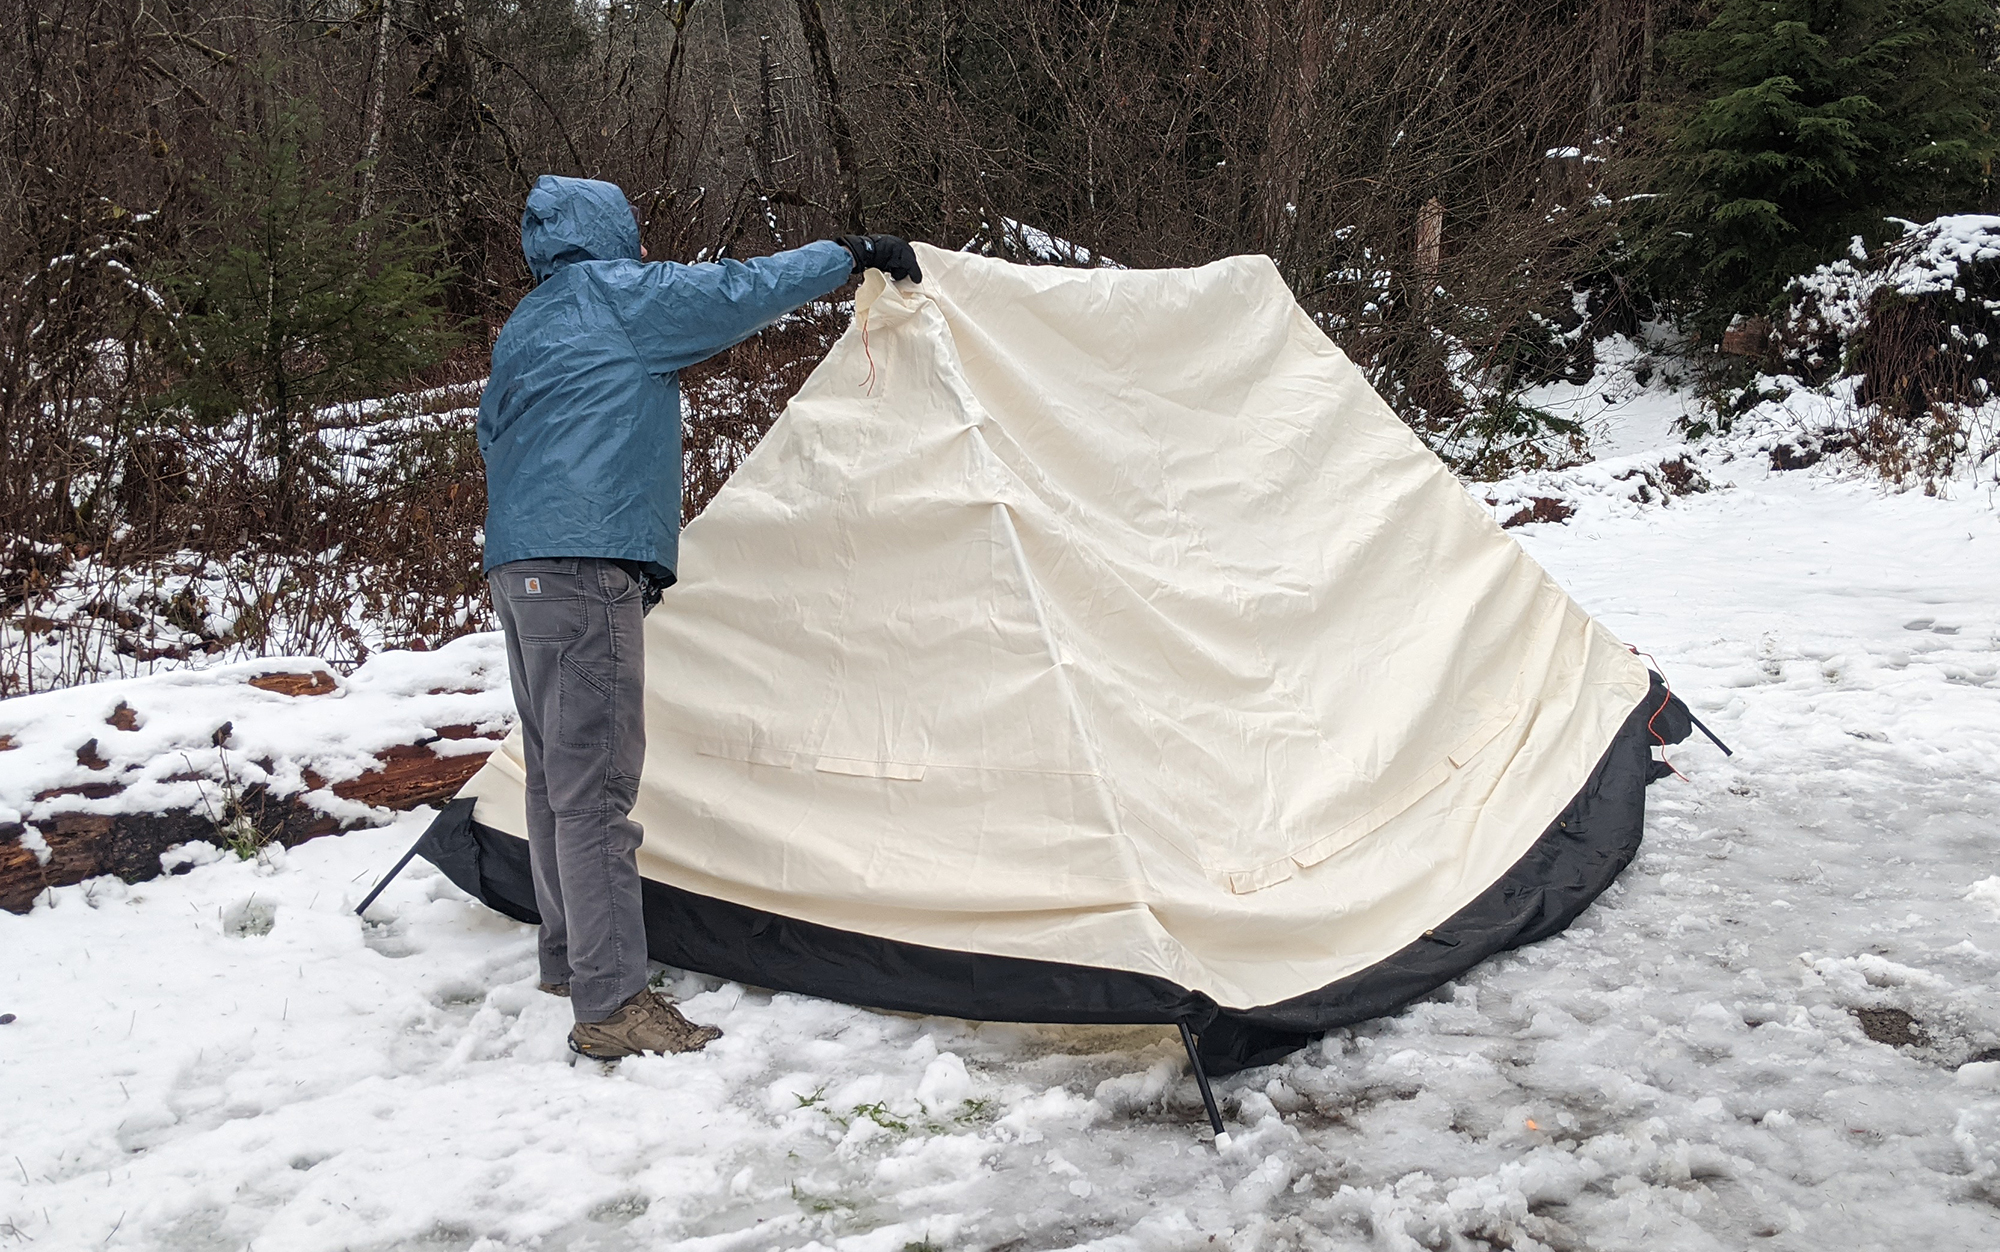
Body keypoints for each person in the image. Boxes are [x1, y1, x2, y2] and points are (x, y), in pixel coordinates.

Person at [478, 174, 922, 1061]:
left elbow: (496, 433)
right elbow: (738, 290)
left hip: (520, 566)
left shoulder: (529, 325)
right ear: (612, 232)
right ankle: (612, 1008)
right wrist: (849, 254)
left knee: (553, 778)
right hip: (585, 564)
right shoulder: (621, 298)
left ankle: (571, 959)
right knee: (599, 789)